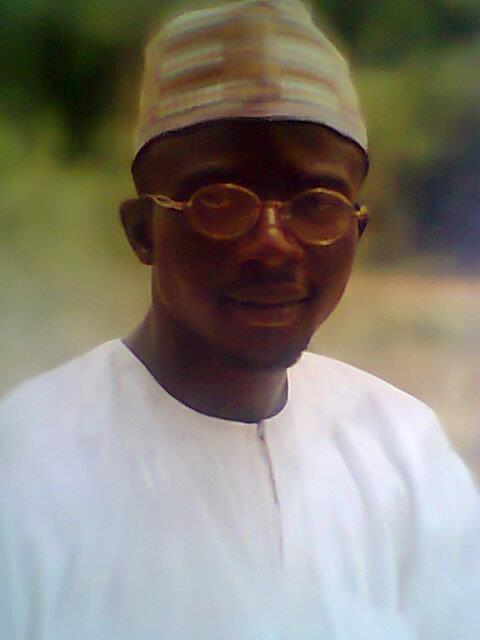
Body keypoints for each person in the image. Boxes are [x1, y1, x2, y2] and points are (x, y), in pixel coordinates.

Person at [1, 1, 479, 638]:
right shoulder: (27, 471)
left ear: (356, 231)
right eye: (220, 200)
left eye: (318, 204)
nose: (274, 244)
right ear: (143, 231)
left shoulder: (403, 452)